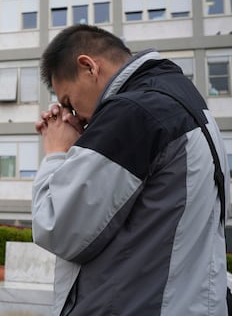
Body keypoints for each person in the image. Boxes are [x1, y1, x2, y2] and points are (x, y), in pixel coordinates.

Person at [32, 24, 229, 315]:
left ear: (88, 67)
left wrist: (56, 153)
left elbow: (57, 228)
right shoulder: (183, 101)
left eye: (68, 102)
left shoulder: (133, 112)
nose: (73, 115)